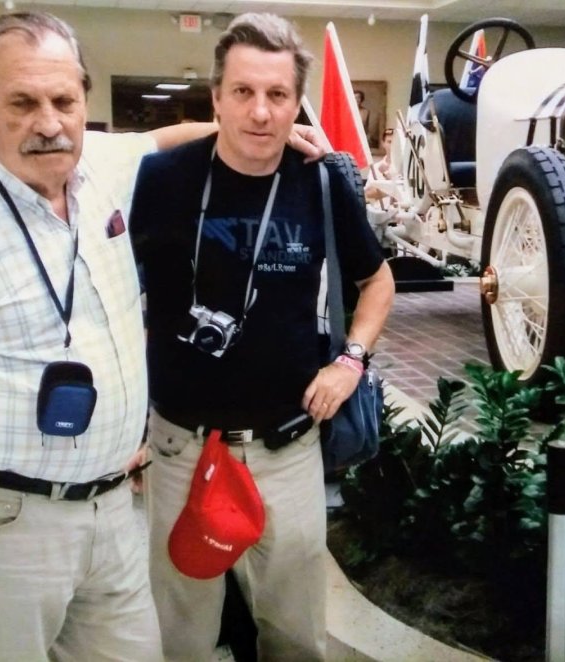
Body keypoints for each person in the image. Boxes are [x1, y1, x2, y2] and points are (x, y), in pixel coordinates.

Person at [0, 12, 322, 661]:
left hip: (110, 515)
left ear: (84, 101)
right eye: (22, 103)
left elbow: (165, 135)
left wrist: (275, 136)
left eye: (63, 100)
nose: (48, 122)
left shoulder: (99, 171)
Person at [130, 13, 395, 661]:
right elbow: (111, 292)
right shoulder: (163, 182)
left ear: (295, 103)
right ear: (216, 96)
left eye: (277, 95)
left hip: (286, 446)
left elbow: (377, 280)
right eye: (242, 92)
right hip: (180, 448)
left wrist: (351, 361)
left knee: (295, 631)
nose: (259, 111)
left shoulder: (324, 182)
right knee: (183, 631)